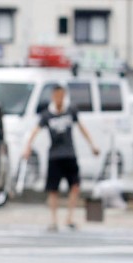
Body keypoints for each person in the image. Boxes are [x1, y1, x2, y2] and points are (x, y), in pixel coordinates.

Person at [21, 84, 99, 231]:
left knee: (75, 186)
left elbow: (83, 129)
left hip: (70, 154)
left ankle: (69, 217)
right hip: (54, 156)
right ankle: (53, 220)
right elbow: (34, 131)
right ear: (53, 96)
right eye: (57, 95)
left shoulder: (71, 111)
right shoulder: (47, 114)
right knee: (53, 189)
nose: (59, 98)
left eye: (62, 95)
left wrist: (92, 145)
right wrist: (27, 148)